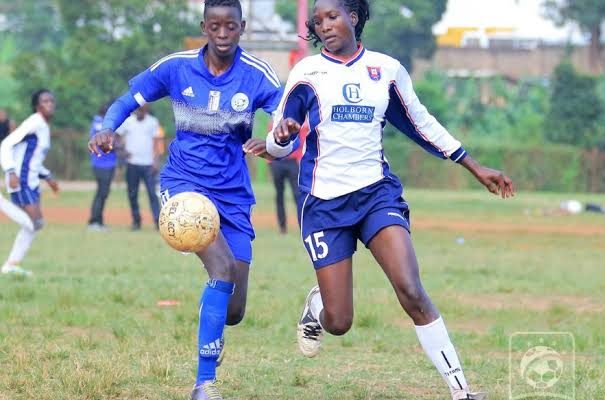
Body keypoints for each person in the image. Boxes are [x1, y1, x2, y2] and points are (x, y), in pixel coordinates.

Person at [265, 1, 515, 399]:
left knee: (411, 290)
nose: (324, 25)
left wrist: (473, 165)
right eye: (318, 20)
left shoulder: (387, 70)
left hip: (376, 196)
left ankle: (462, 391)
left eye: (333, 16)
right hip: (324, 204)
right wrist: (281, 137)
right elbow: (277, 141)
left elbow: (422, 124)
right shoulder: (306, 72)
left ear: (354, 17)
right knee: (340, 321)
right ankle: (317, 309)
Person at [88, 0, 282, 398]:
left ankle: (212, 315)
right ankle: (204, 383)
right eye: (215, 26)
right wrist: (107, 128)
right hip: (183, 185)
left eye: (231, 26)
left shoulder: (256, 74)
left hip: (232, 194)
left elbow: (286, 118)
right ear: (204, 26)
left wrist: (278, 142)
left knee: (234, 310)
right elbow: (127, 101)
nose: (223, 34)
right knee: (221, 268)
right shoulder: (176, 67)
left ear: (242, 27)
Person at [0, 89, 59, 276]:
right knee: (35, 224)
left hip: (32, 181)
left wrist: (48, 177)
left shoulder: (44, 126)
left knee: (34, 225)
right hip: (21, 180)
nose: (49, 104)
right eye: (45, 101)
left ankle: (11, 265)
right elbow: (6, 144)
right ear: (37, 106)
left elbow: (34, 158)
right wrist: (10, 171)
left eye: (51, 101)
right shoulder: (33, 122)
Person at [116, 104, 161, 231]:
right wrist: (121, 150)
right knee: (132, 194)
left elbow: (157, 143)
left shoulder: (152, 122)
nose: (139, 112)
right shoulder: (128, 122)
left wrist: (156, 162)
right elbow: (117, 136)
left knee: (152, 194)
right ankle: (136, 221)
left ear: (146, 110)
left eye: (141, 110)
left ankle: (157, 221)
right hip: (132, 163)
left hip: (148, 164)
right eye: (137, 110)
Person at [268, 122, 306, 234]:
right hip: (277, 162)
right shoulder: (274, 122)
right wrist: (270, 162)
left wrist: (300, 158)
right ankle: (282, 227)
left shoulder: (296, 121)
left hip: (292, 162)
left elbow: (303, 140)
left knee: (297, 194)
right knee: (279, 195)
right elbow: (269, 142)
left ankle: (303, 224)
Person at [87, 101, 116, 231]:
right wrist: (118, 145)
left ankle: (98, 221)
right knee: (102, 192)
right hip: (101, 164)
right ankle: (94, 221)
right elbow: (106, 143)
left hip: (108, 163)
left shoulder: (102, 123)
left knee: (103, 193)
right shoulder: (99, 123)